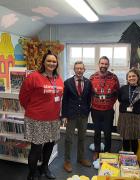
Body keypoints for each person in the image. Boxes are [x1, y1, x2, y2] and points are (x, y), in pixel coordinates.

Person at [19, 50, 64, 180]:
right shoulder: (34, 77)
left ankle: (44, 167)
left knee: (50, 144)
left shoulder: (58, 78)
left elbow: (59, 97)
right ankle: (32, 173)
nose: (51, 63)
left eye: (54, 61)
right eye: (49, 61)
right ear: (43, 62)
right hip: (36, 119)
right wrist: (34, 110)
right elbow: (23, 97)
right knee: (36, 148)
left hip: (54, 119)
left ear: (57, 63)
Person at [62, 61, 91, 173]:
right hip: (71, 115)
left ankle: (81, 158)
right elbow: (65, 100)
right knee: (69, 139)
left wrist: (87, 111)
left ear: (84, 70)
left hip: (83, 115)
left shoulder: (88, 83)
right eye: (77, 68)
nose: (79, 70)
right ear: (74, 70)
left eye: (81, 68)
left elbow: (88, 99)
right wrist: (64, 115)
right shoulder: (67, 82)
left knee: (82, 138)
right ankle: (67, 161)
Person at [90, 56, 119, 160]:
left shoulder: (114, 77)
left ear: (108, 65)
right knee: (96, 132)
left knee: (108, 132)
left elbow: (116, 93)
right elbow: (89, 93)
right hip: (95, 110)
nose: (104, 66)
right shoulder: (92, 77)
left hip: (108, 111)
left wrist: (109, 104)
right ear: (99, 64)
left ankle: (107, 151)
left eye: (106, 64)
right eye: (102, 63)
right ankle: (96, 151)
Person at [117, 68, 140, 154]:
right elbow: (120, 99)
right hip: (125, 116)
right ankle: (126, 158)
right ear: (127, 78)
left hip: (137, 116)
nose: (131, 78)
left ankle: (134, 158)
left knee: (135, 139)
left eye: (133, 76)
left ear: (138, 77)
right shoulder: (123, 89)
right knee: (125, 138)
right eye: (129, 76)